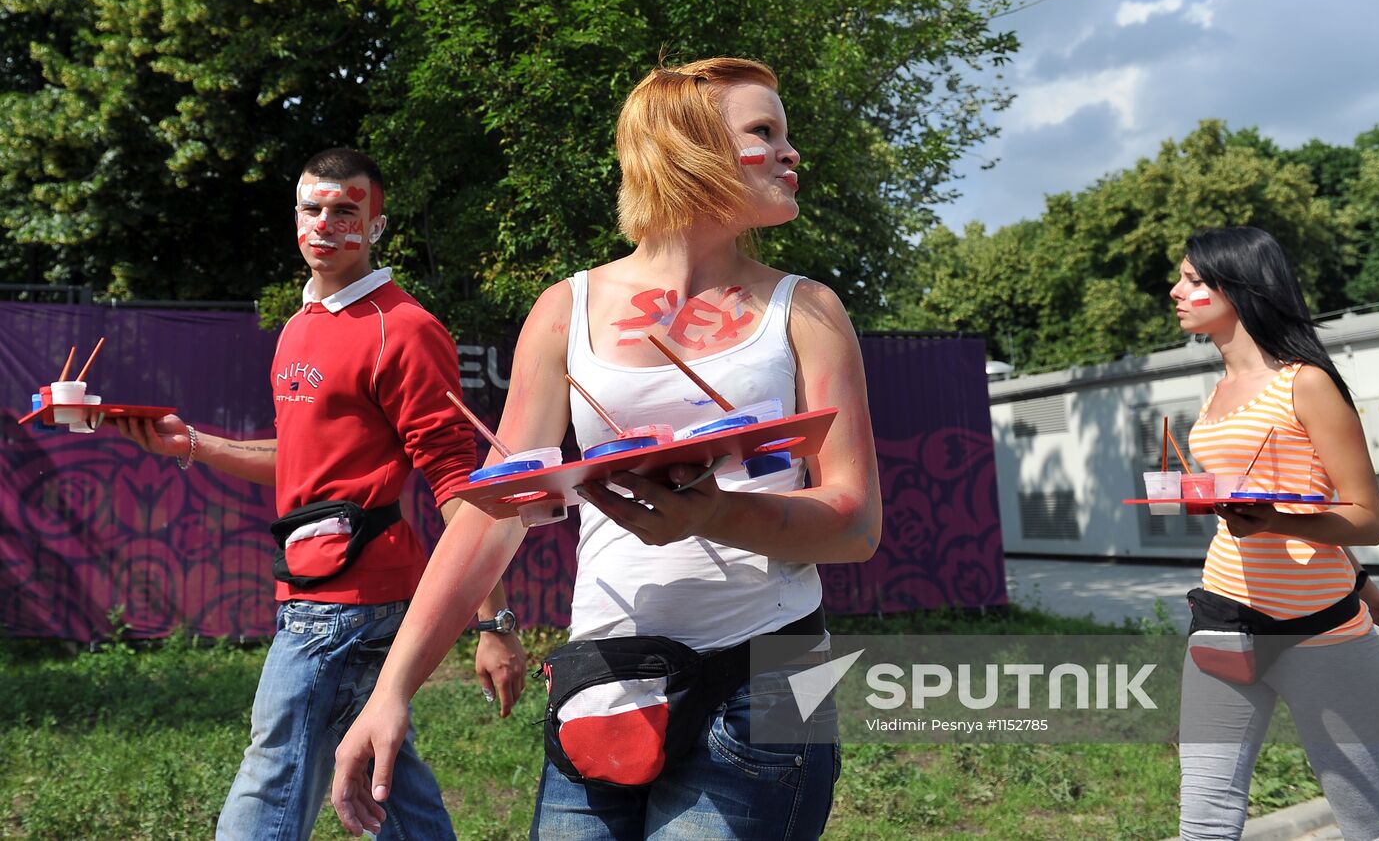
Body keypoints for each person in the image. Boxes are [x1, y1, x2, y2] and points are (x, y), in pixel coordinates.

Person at [331, 57, 882, 839]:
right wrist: (391, 692)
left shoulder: (808, 311)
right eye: (765, 132)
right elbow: (493, 515)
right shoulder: (566, 309)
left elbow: (855, 524)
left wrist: (710, 515)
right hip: (605, 682)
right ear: (685, 149)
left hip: (772, 679)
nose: (793, 153)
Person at [113, 147, 526, 840]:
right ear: (295, 217)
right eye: (314, 208)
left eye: (346, 211)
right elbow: (302, 464)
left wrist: (495, 622)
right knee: (383, 773)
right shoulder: (303, 326)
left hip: (350, 604)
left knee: (273, 770)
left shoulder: (405, 328)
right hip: (312, 588)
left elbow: (457, 484)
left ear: (376, 226)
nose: (327, 224)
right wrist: (189, 443)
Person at [1171, 226, 1379, 840]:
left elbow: (1365, 517)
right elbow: (1279, 498)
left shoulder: (1307, 382)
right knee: (1204, 823)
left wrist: (1279, 524)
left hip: (1320, 629)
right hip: (1223, 618)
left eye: (1193, 279)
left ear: (1238, 286)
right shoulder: (1216, 395)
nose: (1176, 290)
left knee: (1369, 821)